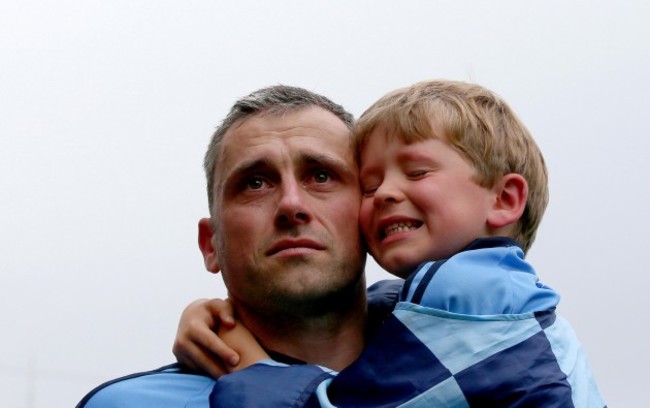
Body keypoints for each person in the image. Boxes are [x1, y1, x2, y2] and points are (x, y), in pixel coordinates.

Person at [174, 80, 606, 407]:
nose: (383, 195)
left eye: (416, 173)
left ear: (504, 199)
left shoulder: (470, 299)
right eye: (370, 183)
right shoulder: (484, 303)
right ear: (210, 243)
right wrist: (214, 315)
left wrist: (245, 359)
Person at [76, 84, 377, 407]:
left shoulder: (437, 362)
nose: (291, 204)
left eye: (320, 176)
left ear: (374, 215)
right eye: (255, 183)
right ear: (210, 244)